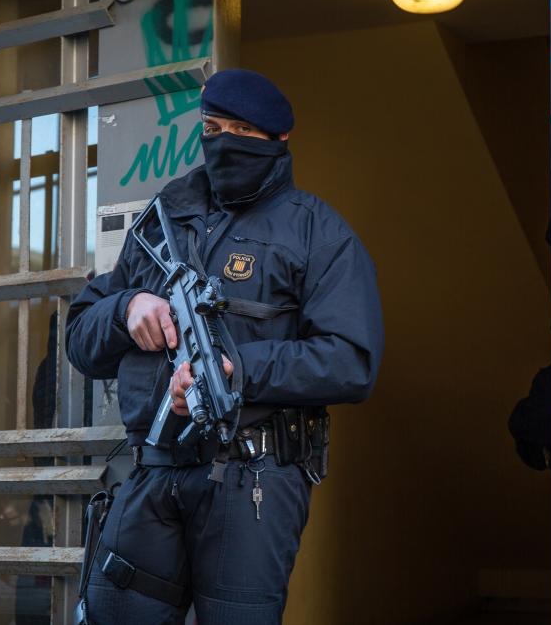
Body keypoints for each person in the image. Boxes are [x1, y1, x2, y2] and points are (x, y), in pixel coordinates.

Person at [65, 68, 384, 625]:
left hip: (253, 480)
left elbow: (350, 361)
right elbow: (80, 339)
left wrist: (235, 372)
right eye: (213, 127)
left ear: (279, 140)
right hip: (152, 474)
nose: (224, 142)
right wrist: (127, 308)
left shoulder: (317, 233)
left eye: (242, 131)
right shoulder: (163, 221)